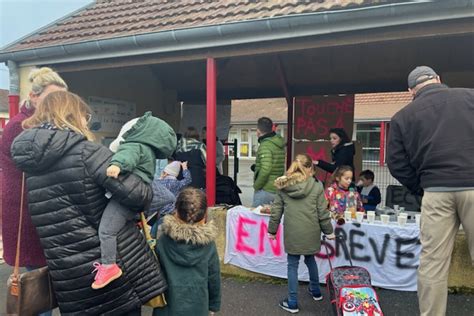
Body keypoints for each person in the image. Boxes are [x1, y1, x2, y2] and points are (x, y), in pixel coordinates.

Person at [10, 91, 168, 315]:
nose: (87, 121)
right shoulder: (88, 152)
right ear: (72, 116)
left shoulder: (32, 167)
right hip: (109, 267)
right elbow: (138, 195)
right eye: (85, 116)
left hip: (69, 277)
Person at [387, 65, 474, 316]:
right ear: (438, 79)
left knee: (433, 264)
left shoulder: (403, 117)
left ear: (410, 90)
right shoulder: (470, 97)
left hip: (435, 190)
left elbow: (396, 162)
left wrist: (420, 187)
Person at [0, 67, 67, 316]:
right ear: (34, 96)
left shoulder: (43, 125)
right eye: (51, 97)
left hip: (42, 212)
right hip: (27, 215)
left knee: (45, 284)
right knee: (37, 288)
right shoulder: (20, 127)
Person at [93, 111, 177, 289]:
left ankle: (108, 266)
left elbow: (126, 156)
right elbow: (166, 196)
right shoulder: (149, 150)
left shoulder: (134, 145)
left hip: (125, 197)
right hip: (139, 197)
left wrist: (116, 165)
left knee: (106, 231)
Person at [268, 154, 335, 314]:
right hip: (311, 230)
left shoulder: (283, 185)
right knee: (310, 259)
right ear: (310, 168)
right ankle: (316, 291)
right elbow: (322, 212)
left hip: (293, 231)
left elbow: (276, 210)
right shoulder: (317, 185)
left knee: (292, 265)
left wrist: (272, 230)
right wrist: (329, 231)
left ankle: (292, 302)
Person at [153, 187, 221, 316]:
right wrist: (213, 305)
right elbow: (214, 277)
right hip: (198, 305)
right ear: (204, 214)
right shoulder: (208, 244)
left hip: (167, 306)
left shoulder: (163, 240)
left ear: (176, 211)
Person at [252, 117, 286, 207]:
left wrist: (257, 186)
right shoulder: (278, 143)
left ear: (258, 130)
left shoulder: (265, 145)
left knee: (257, 218)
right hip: (276, 188)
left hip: (265, 190)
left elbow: (266, 169)